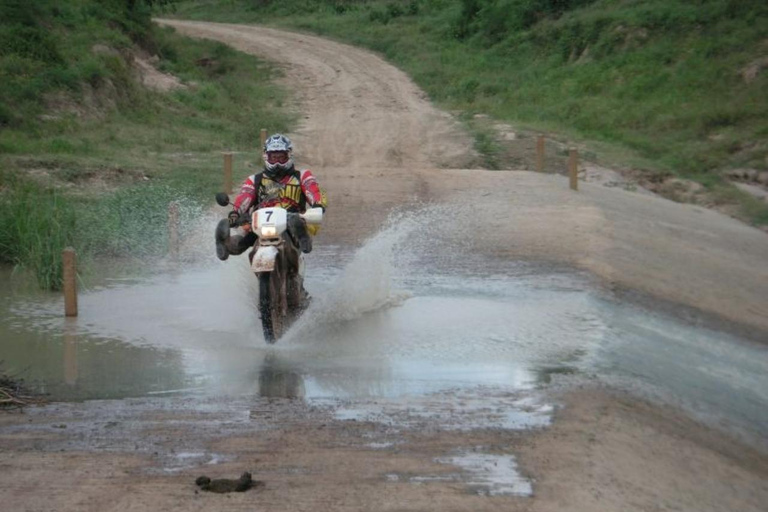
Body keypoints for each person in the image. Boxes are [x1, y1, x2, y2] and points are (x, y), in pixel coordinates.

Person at [215, 133, 327, 261]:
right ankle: (224, 243)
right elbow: (245, 196)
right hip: (261, 221)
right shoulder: (254, 180)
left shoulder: (303, 175)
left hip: (293, 218)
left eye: (281, 157)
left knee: (296, 223)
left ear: (289, 156)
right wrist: (235, 213)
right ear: (266, 157)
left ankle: (303, 239)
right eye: (274, 158)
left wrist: (318, 205)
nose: (278, 162)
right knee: (245, 239)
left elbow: (313, 190)